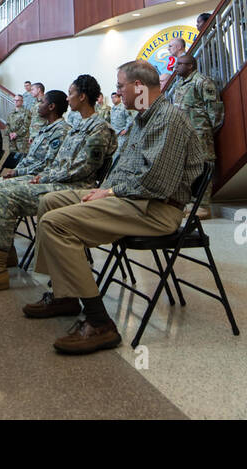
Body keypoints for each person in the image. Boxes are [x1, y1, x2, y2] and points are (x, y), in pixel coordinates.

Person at [26, 61, 205, 354]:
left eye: (120, 86)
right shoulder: (143, 119)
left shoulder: (168, 119)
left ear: (138, 87)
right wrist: (105, 190)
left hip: (156, 209)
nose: (116, 91)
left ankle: (100, 323)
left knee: (55, 223)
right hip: (132, 198)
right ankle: (66, 294)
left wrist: (109, 191)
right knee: (48, 201)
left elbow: (157, 183)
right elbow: (125, 170)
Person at [0, 77, 115, 294]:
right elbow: (58, 163)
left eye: (70, 93)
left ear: (82, 96)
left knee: (5, 196)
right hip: (57, 179)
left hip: (76, 187)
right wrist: (45, 174)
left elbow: (83, 168)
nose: (67, 97)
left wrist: (44, 176)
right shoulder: (79, 125)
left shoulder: (98, 128)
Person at [166, 52, 224, 218]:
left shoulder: (202, 81)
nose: (176, 67)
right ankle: (190, 203)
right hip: (183, 134)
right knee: (188, 169)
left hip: (200, 134)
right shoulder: (180, 84)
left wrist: (207, 130)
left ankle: (203, 206)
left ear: (190, 66)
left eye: (180, 64)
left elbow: (215, 110)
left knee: (203, 167)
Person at [6, 94, 31, 166]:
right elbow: (7, 124)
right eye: (14, 100)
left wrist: (16, 134)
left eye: (18, 100)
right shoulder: (11, 113)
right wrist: (10, 133)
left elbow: (26, 125)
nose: (16, 102)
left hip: (21, 140)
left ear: (22, 102)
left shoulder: (26, 112)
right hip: (12, 140)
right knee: (13, 158)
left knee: (22, 158)